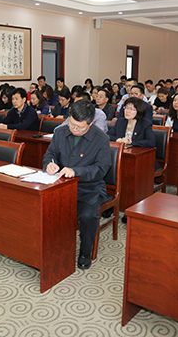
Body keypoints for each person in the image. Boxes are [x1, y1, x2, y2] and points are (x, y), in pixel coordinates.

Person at [42, 100, 111, 270]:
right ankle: (50, 248)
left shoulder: (101, 139)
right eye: (72, 125)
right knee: (44, 208)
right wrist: (49, 164)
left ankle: (85, 252)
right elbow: (50, 154)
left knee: (87, 216)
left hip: (89, 188)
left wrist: (76, 171)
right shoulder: (60, 132)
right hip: (61, 185)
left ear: (91, 123)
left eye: (80, 128)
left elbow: (101, 169)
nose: (74, 130)